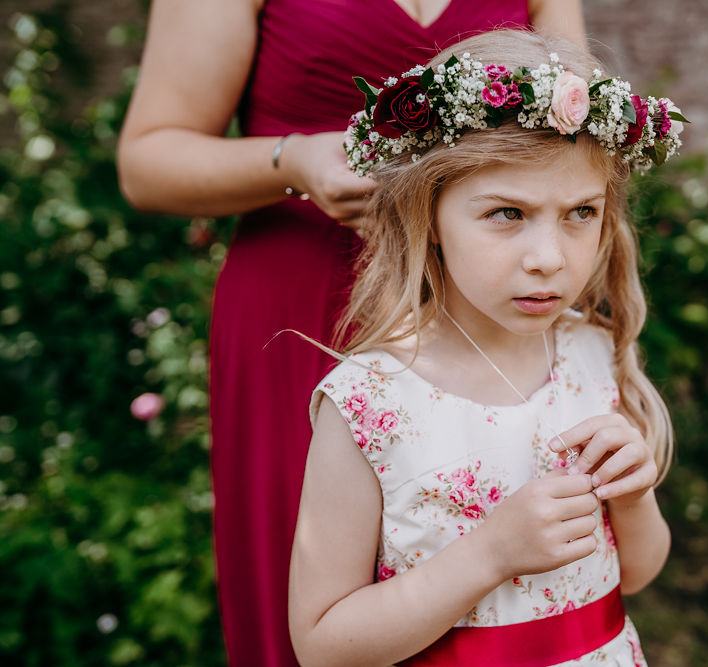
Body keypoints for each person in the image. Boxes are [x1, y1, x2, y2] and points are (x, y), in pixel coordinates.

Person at [116, 2, 587, 665]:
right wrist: (291, 160)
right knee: (319, 595)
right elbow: (147, 161)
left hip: (487, 309)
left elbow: (577, 139)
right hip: (304, 310)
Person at [289, 28, 684, 666]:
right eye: (506, 213)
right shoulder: (369, 403)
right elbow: (322, 646)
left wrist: (633, 499)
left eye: (581, 212)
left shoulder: (592, 354)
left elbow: (636, 573)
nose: (549, 259)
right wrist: (490, 554)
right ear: (428, 215)